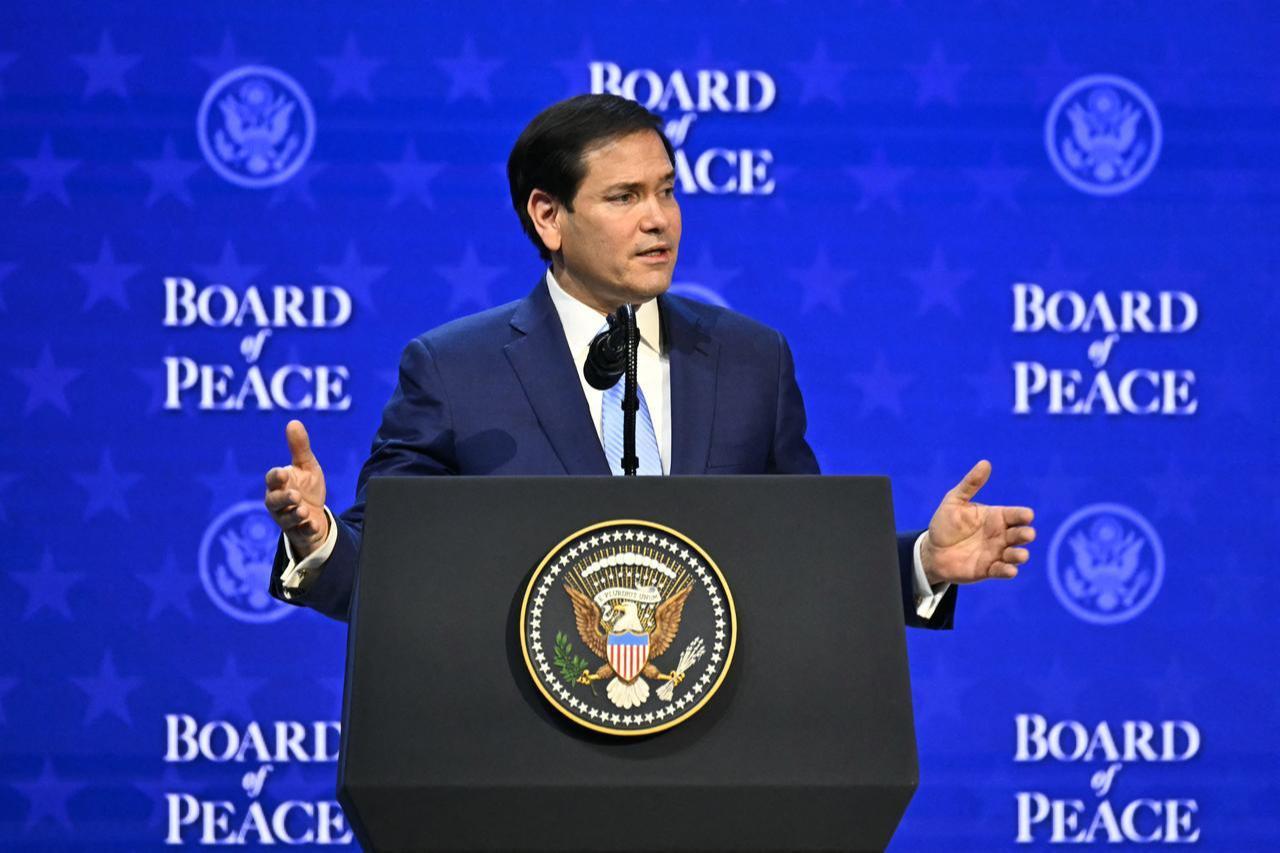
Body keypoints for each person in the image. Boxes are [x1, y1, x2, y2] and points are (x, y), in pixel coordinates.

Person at [263, 94, 1036, 624]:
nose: (659, 219)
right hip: (525, 771)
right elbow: (384, 571)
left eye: (667, 192)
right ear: (548, 216)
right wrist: (317, 537)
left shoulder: (749, 360)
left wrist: (923, 564)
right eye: (625, 196)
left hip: (715, 771)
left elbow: (801, 564)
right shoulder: (453, 370)